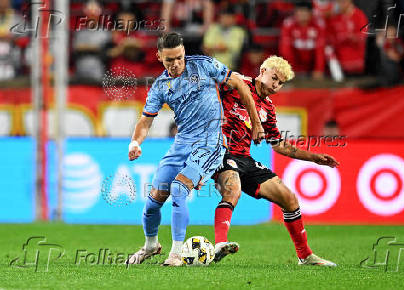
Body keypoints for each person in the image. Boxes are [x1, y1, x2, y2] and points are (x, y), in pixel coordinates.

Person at [126, 32, 264, 266]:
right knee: (153, 200)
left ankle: (176, 253)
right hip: (182, 143)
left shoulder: (204, 65)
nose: (176, 64)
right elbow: (146, 120)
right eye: (170, 60)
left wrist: (256, 123)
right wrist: (135, 142)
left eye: (179, 57)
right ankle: (151, 245)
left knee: (179, 188)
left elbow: (239, 83)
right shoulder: (160, 86)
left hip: (210, 142)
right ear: (159, 57)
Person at [213, 56, 339, 266]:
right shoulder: (237, 84)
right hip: (220, 152)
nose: (276, 85)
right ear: (262, 71)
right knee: (232, 190)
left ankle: (305, 255)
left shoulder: (268, 108)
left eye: (280, 83)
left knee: (289, 199)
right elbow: (215, 82)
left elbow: (279, 145)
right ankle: (220, 244)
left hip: (244, 157)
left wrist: (314, 158)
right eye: (274, 78)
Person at [279, 1, 326, 80]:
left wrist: (319, 69)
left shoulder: (319, 24)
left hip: (312, 62)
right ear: (295, 13)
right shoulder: (288, 24)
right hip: (296, 62)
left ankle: (338, 79)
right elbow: (286, 49)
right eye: (299, 11)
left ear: (311, 13)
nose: (302, 15)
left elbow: (320, 50)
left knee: (329, 51)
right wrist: (290, 68)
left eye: (305, 12)